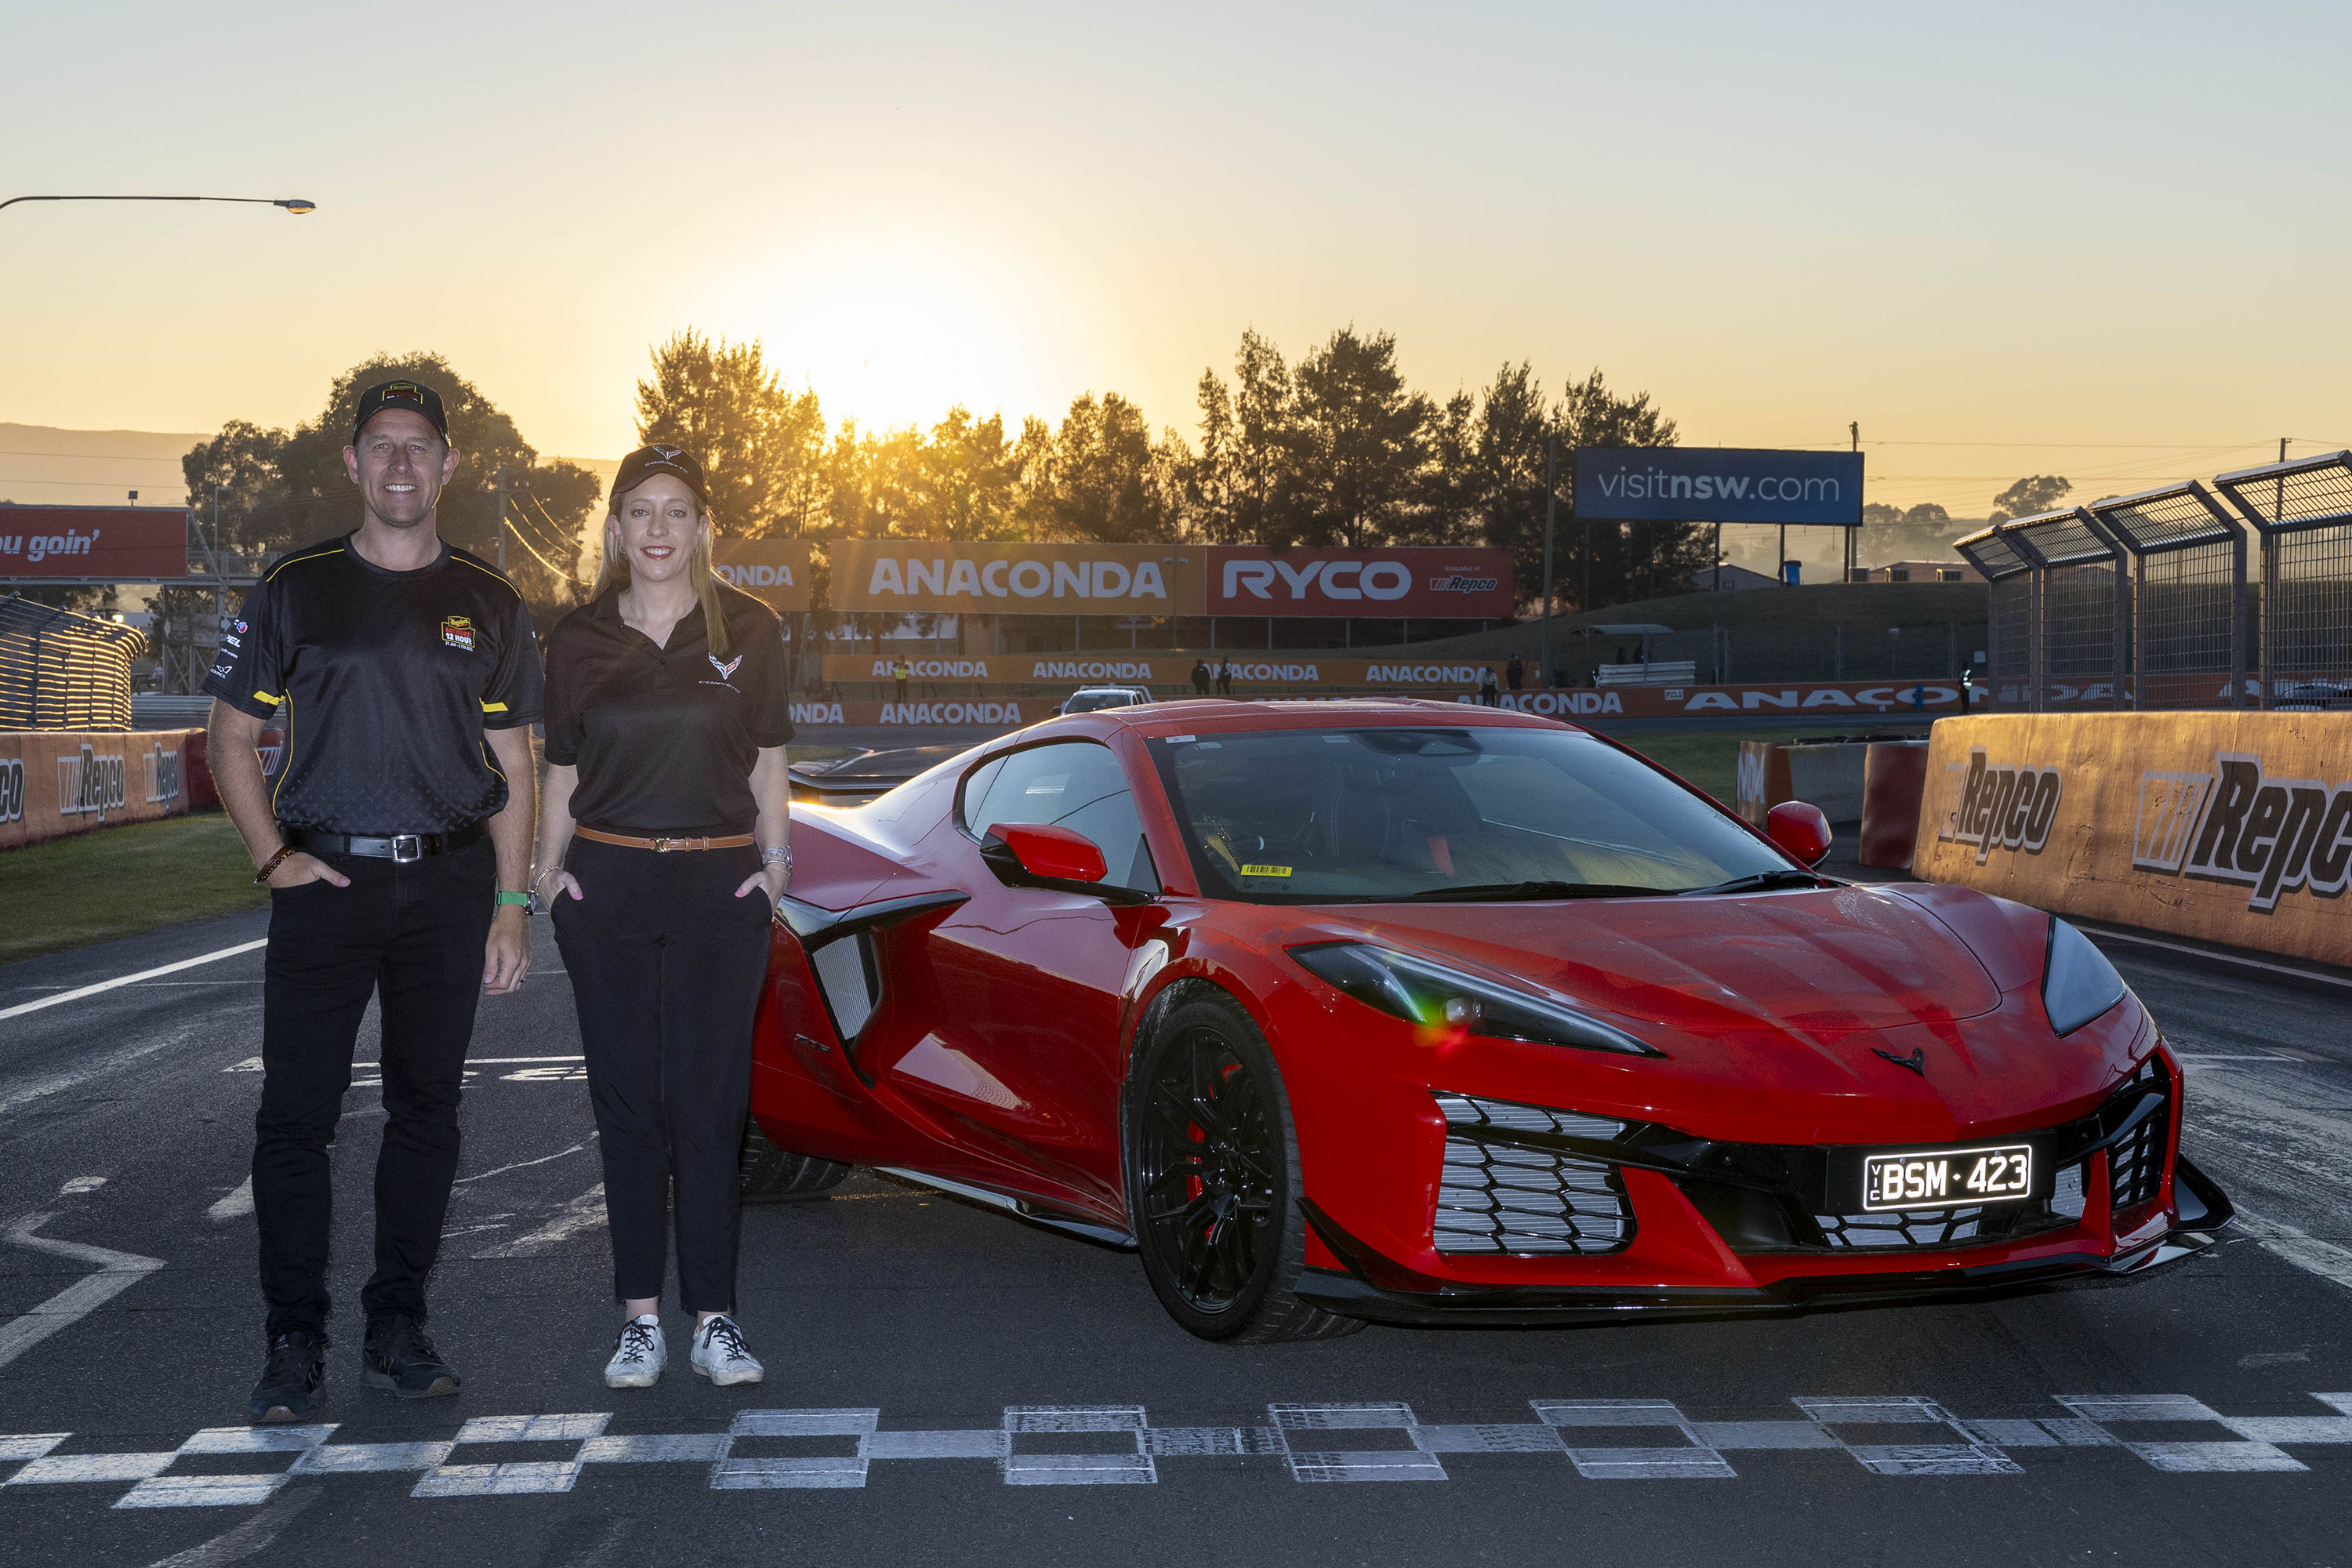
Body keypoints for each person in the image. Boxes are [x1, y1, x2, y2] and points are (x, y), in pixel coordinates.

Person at [205, 379, 540, 1423]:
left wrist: (512, 900)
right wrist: (271, 859)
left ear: (448, 466)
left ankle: (398, 1325)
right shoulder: (295, 586)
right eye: (382, 447)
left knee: (426, 1114)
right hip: (327, 882)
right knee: (295, 1122)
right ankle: (292, 1342)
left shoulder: (490, 598)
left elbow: (516, 761)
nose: (401, 464)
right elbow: (229, 737)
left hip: (446, 885)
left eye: (420, 447)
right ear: (353, 465)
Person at [535, 444, 794, 1391]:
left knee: (710, 1106)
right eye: (639, 510)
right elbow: (559, 771)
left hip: (720, 890)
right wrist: (542, 880)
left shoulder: (753, 630)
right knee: (629, 1105)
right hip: (606, 891)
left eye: (676, 510)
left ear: (703, 527)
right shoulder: (575, 639)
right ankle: (640, 1318)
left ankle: (715, 1319)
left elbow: (769, 762)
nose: (657, 528)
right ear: (614, 527)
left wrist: (776, 869)